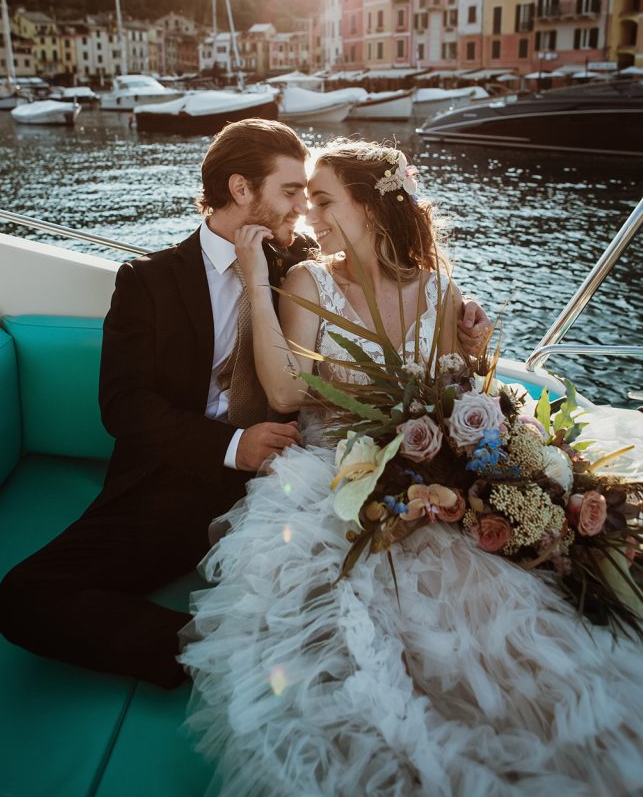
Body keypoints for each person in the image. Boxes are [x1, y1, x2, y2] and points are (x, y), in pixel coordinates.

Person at [178, 141, 643, 796]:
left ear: (369, 206)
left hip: (421, 486)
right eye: (306, 199)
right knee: (352, 647)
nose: (310, 214)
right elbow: (286, 394)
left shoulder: (441, 291)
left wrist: (475, 356)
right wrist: (257, 277)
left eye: (323, 199)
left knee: (486, 631)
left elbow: (451, 400)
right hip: (327, 480)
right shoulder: (306, 281)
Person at [0, 118, 494, 690]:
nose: (302, 212)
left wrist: (464, 332)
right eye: (290, 193)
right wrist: (233, 446)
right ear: (239, 190)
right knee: (26, 596)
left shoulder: (300, 260)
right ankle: (211, 651)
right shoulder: (149, 281)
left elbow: (384, 282)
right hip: (183, 479)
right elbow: (125, 406)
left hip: (302, 478)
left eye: (310, 197)